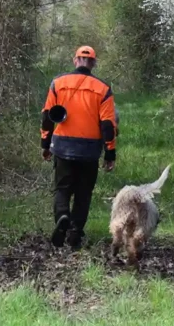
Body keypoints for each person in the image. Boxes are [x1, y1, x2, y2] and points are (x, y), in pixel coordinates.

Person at [40, 45, 118, 250]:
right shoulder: (103, 89)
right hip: (90, 150)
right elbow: (108, 125)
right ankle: (75, 233)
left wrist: (45, 144)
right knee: (84, 193)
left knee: (62, 188)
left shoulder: (58, 83)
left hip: (62, 146)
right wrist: (110, 153)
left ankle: (62, 215)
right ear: (93, 63)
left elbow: (47, 116)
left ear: (75, 60)